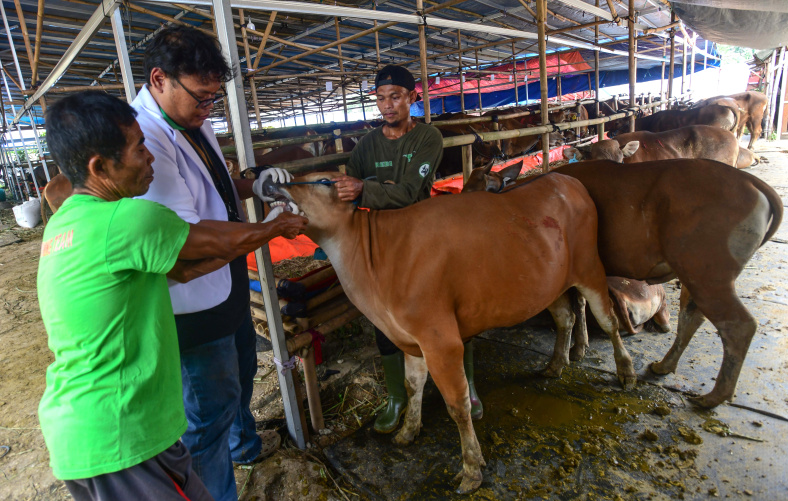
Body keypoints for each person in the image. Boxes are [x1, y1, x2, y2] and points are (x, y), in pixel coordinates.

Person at [37, 91, 307, 501]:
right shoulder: (127, 220)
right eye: (138, 148)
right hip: (119, 434)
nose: (151, 158)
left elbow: (186, 268)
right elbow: (208, 240)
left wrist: (255, 234)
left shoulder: (65, 224)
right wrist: (273, 225)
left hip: (99, 424)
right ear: (99, 166)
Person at [131, 26, 295, 501]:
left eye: (213, 98)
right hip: (193, 298)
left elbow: (218, 182)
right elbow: (189, 239)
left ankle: (243, 444)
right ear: (159, 79)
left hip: (227, 276)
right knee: (206, 413)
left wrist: (256, 182)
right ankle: (217, 491)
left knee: (241, 373)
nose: (209, 108)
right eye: (201, 96)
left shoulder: (191, 120)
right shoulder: (146, 140)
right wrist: (271, 228)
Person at [333, 65, 483, 433]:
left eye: (395, 96)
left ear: (413, 98)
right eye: (381, 97)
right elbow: (352, 188)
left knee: (453, 310)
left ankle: (470, 386)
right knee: (382, 314)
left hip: (423, 238)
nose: (387, 105)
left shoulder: (428, 138)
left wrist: (369, 188)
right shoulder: (367, 144)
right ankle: (396, 395)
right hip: (381, 243)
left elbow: (409, 193)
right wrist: (371, 187)